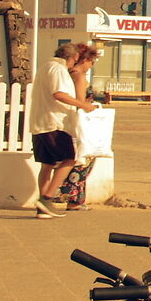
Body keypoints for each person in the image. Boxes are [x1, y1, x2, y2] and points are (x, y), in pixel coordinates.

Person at [32, 40, 95, 217]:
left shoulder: (45, 66)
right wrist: (82, 105)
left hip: (40, 122)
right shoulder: (58, 69)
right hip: (54, 123)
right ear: (74, 57)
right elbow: (59, 94)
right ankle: (47, 197)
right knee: (69, 159)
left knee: (47, 164)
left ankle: (43, 208)